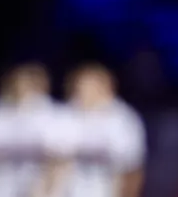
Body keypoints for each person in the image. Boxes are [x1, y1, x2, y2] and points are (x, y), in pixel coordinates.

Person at [0, 63, 73, 197]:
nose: (21, 86)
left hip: (38, 190)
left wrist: (48, 192)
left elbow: (59, 162)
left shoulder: (53, 114)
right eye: (17, 81)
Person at [61, 63, 146, 197]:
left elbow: (132, 169)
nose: (84, 90)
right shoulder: (65, 114)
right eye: (80, 85)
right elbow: (52, 163)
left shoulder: (123, 119)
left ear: (106, 87)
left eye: (90, 86)